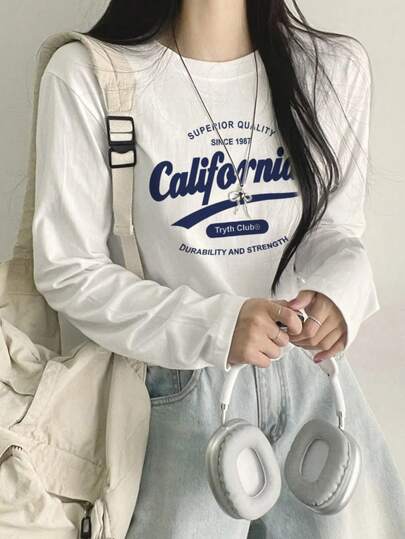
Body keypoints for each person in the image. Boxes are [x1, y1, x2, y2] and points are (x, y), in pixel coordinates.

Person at [32, 0, 405, 537]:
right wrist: (217, 325)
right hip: (175, 391)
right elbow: (68, 268)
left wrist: (337, 296)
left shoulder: (331, 68)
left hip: (314, 383)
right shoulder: (92, 75)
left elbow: (336, 230)